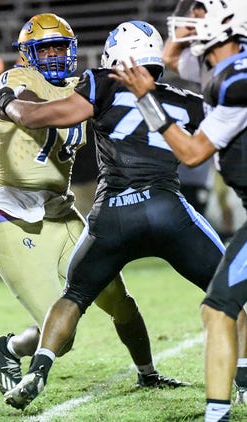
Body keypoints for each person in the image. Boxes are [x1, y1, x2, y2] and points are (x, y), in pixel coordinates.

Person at [0, 19, 228, 410]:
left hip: (66, 210)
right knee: (66, 331)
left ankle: (148, 373)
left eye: (61, 47)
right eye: (45, 49)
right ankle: (7, 347)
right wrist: (7, 99)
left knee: (119, 303)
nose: (55, 56)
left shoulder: (92, 83)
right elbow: (27, 105)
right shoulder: (21, 77)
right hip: (16, 216)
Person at [108, 1, 247, 420]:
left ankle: (217, 413)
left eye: (201, 14)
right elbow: (174, 62)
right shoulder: (226, 71)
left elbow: (191, 153)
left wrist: (148, 102)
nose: (191, 22)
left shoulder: (235, 83)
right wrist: (179, 41)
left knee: (219, 307)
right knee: (226, 305)